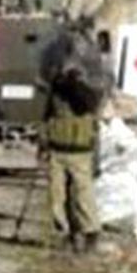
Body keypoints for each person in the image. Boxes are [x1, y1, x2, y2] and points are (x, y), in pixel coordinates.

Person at [41, 66, 102, 254]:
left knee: (83, 196)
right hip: (57, 150)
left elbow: (88, 106)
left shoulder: (87, 94)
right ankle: (63, 232)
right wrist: (42, 143)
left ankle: (90, 231)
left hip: (80, 152)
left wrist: (74, 85)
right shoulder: (56, 94)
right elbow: (46, 118)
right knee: (56, 196)